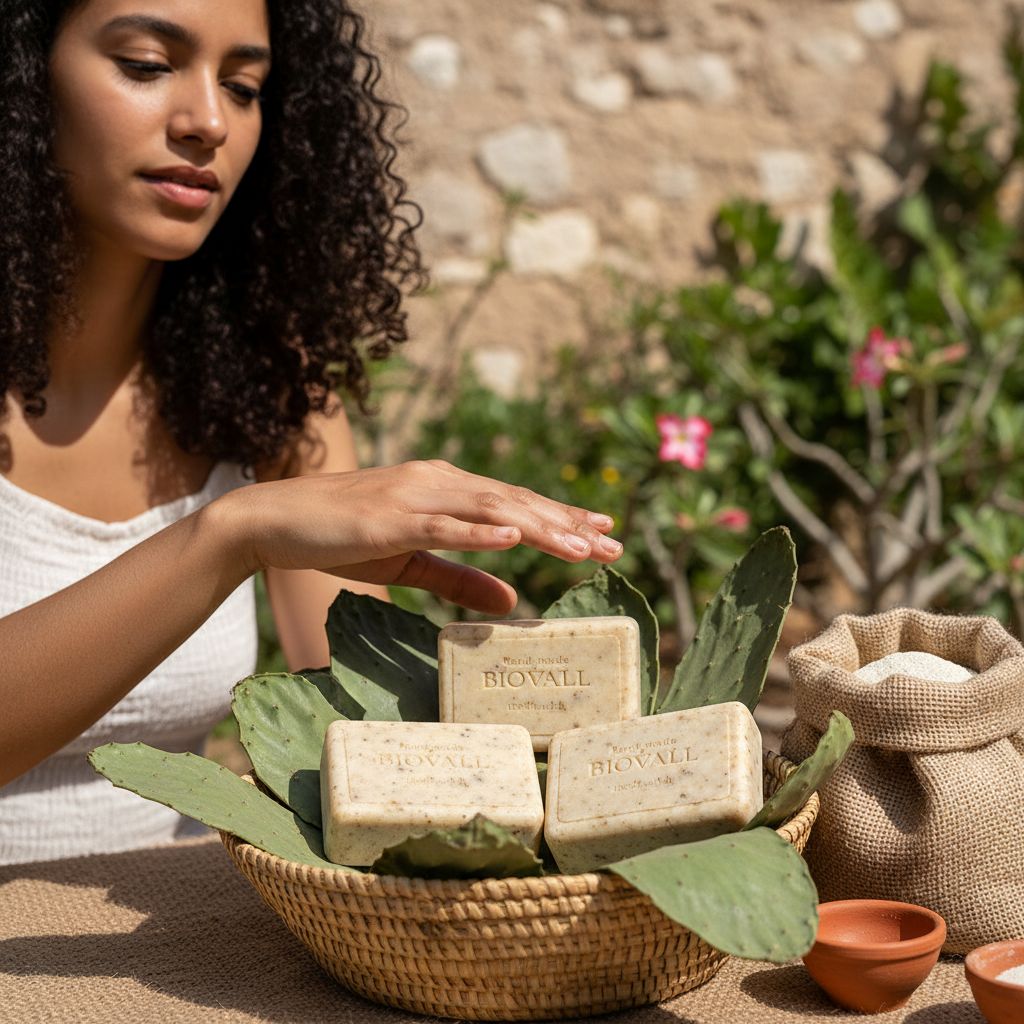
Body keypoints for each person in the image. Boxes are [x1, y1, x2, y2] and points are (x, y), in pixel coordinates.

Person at [0, 0, 622, 864]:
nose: (208, 121)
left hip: (167, 946)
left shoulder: (269, 387)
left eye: (245, 86)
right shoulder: (240, 511)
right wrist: (229, 535)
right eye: (145, 65)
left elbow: (351, 719)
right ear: (22, 75)